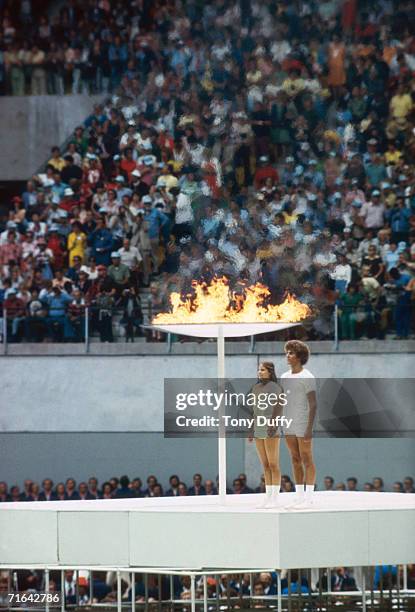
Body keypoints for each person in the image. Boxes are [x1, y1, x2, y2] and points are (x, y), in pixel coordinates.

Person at [280, 341, 317, 508]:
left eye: (291, 353)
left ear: (300, 357)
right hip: (288, 422)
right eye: (287, 352)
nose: (287, 356)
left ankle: (309, 497)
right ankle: (299, 495)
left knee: (306, 458)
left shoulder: (307, 377)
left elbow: (313, 404)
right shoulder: (284, 377)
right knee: (295, 459)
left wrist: (309, 428)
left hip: (303, 422)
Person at [248, 362, 284, 508]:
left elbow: (278, 409)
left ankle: (275, 498)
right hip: (258, 428)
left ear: (270, 372)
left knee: (273, 464)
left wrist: (273, 425)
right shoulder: (255, 388)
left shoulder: (276, 388)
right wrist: (250, 429)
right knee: (265, 465)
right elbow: (254, 410)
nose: (259, 372)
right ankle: (268, 496)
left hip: (271, 428)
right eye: (258, 370)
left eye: (262, 370)